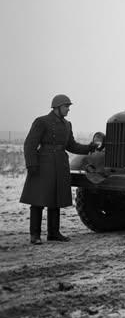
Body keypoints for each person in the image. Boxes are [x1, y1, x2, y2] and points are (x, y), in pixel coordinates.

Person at [21, 94, 95, 244]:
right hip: (43, 164)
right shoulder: (42, 121)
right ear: (57, 107)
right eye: (66, 106)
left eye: (68, 107)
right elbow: (30, 144)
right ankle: (35, 235)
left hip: (60, 164)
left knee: (56, 199)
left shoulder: (67, 125)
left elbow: (72, 145)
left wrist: (89, 148)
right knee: (38, 199)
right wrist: (31, 164)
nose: (68, 109)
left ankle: (54, 233)